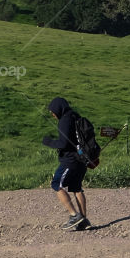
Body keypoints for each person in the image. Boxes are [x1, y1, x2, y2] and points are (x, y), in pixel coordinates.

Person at [42, 96, 90, 231]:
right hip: (82, 160)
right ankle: (83, 221)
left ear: (58, 109)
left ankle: (74, 215)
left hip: (70, 160)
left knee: (56, 184)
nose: (52, 114)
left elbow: (63, 143)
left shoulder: (65, 120)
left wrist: (49, 142)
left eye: (53, 111)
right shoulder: (76, 116)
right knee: (76, 188)